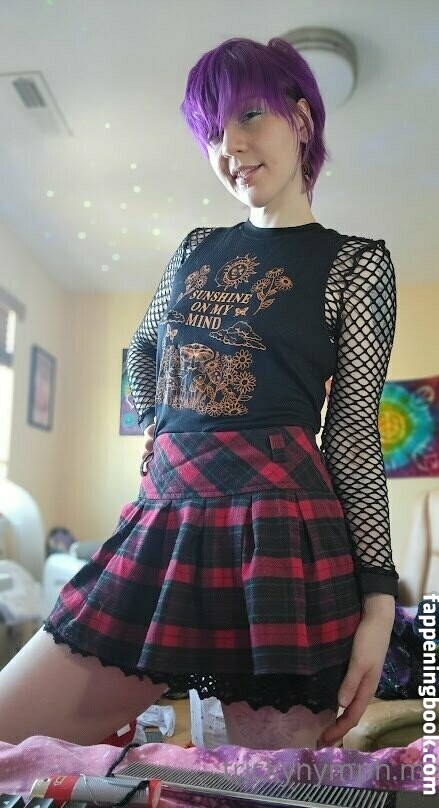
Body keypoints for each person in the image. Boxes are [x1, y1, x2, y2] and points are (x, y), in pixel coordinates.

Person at [0, 36, 399, 749]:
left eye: (250, 115)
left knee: (265, 788)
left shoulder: (354, 265)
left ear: (302, 119)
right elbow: (143, 347)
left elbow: (351, 434)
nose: (230, 146)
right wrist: (157, 425)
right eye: (212, 132)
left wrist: (378, 602)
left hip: (282, 534)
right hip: (166, 514)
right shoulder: (194, 248)